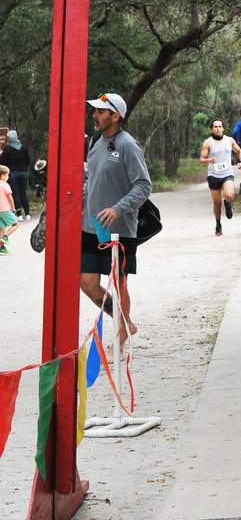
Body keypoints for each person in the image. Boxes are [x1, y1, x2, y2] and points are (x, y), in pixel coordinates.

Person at [82, 93, 151, 347]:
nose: (94, 115)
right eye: (95, 111)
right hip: (91, 227)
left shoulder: (128, 145)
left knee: (119, 283)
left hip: (119, 229)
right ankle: (124, 322)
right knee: (87, 284)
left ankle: (120, 341)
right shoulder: (95, 142)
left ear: (115, 116)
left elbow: (143, 186)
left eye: (100, 111)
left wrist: (117, 209)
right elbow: (92, 182)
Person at [199, 118, 241, 235]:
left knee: (229, 195)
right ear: (212, 129)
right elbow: (201, 160)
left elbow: (239, 151)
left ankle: (228, 203)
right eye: (215, 127)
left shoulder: (229, 140)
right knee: (217, 203)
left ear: (223, 128)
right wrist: (208, 160)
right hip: (213, 175)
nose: (218, 128)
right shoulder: (208, 143)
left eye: (220, 126)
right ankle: (218, 224)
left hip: (227, 173)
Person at [0, 130, 31, 221]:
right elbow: (28, 161)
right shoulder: (23, 148)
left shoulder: (7, 149)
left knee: (16, 194)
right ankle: (27, 214)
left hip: (12, 173)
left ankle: (19, 215)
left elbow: (3, 162)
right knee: (23, 193)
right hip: (23, 172)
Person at [0, 165, 19, 254]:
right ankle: (6, 237)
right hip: (5, 209)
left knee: (2, 229)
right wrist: (13, 208)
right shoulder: (5, 185)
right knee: (16, 224)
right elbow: (10, 198)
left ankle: (1, 247)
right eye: (7, 175)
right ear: (2, 176)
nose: (8, 177)